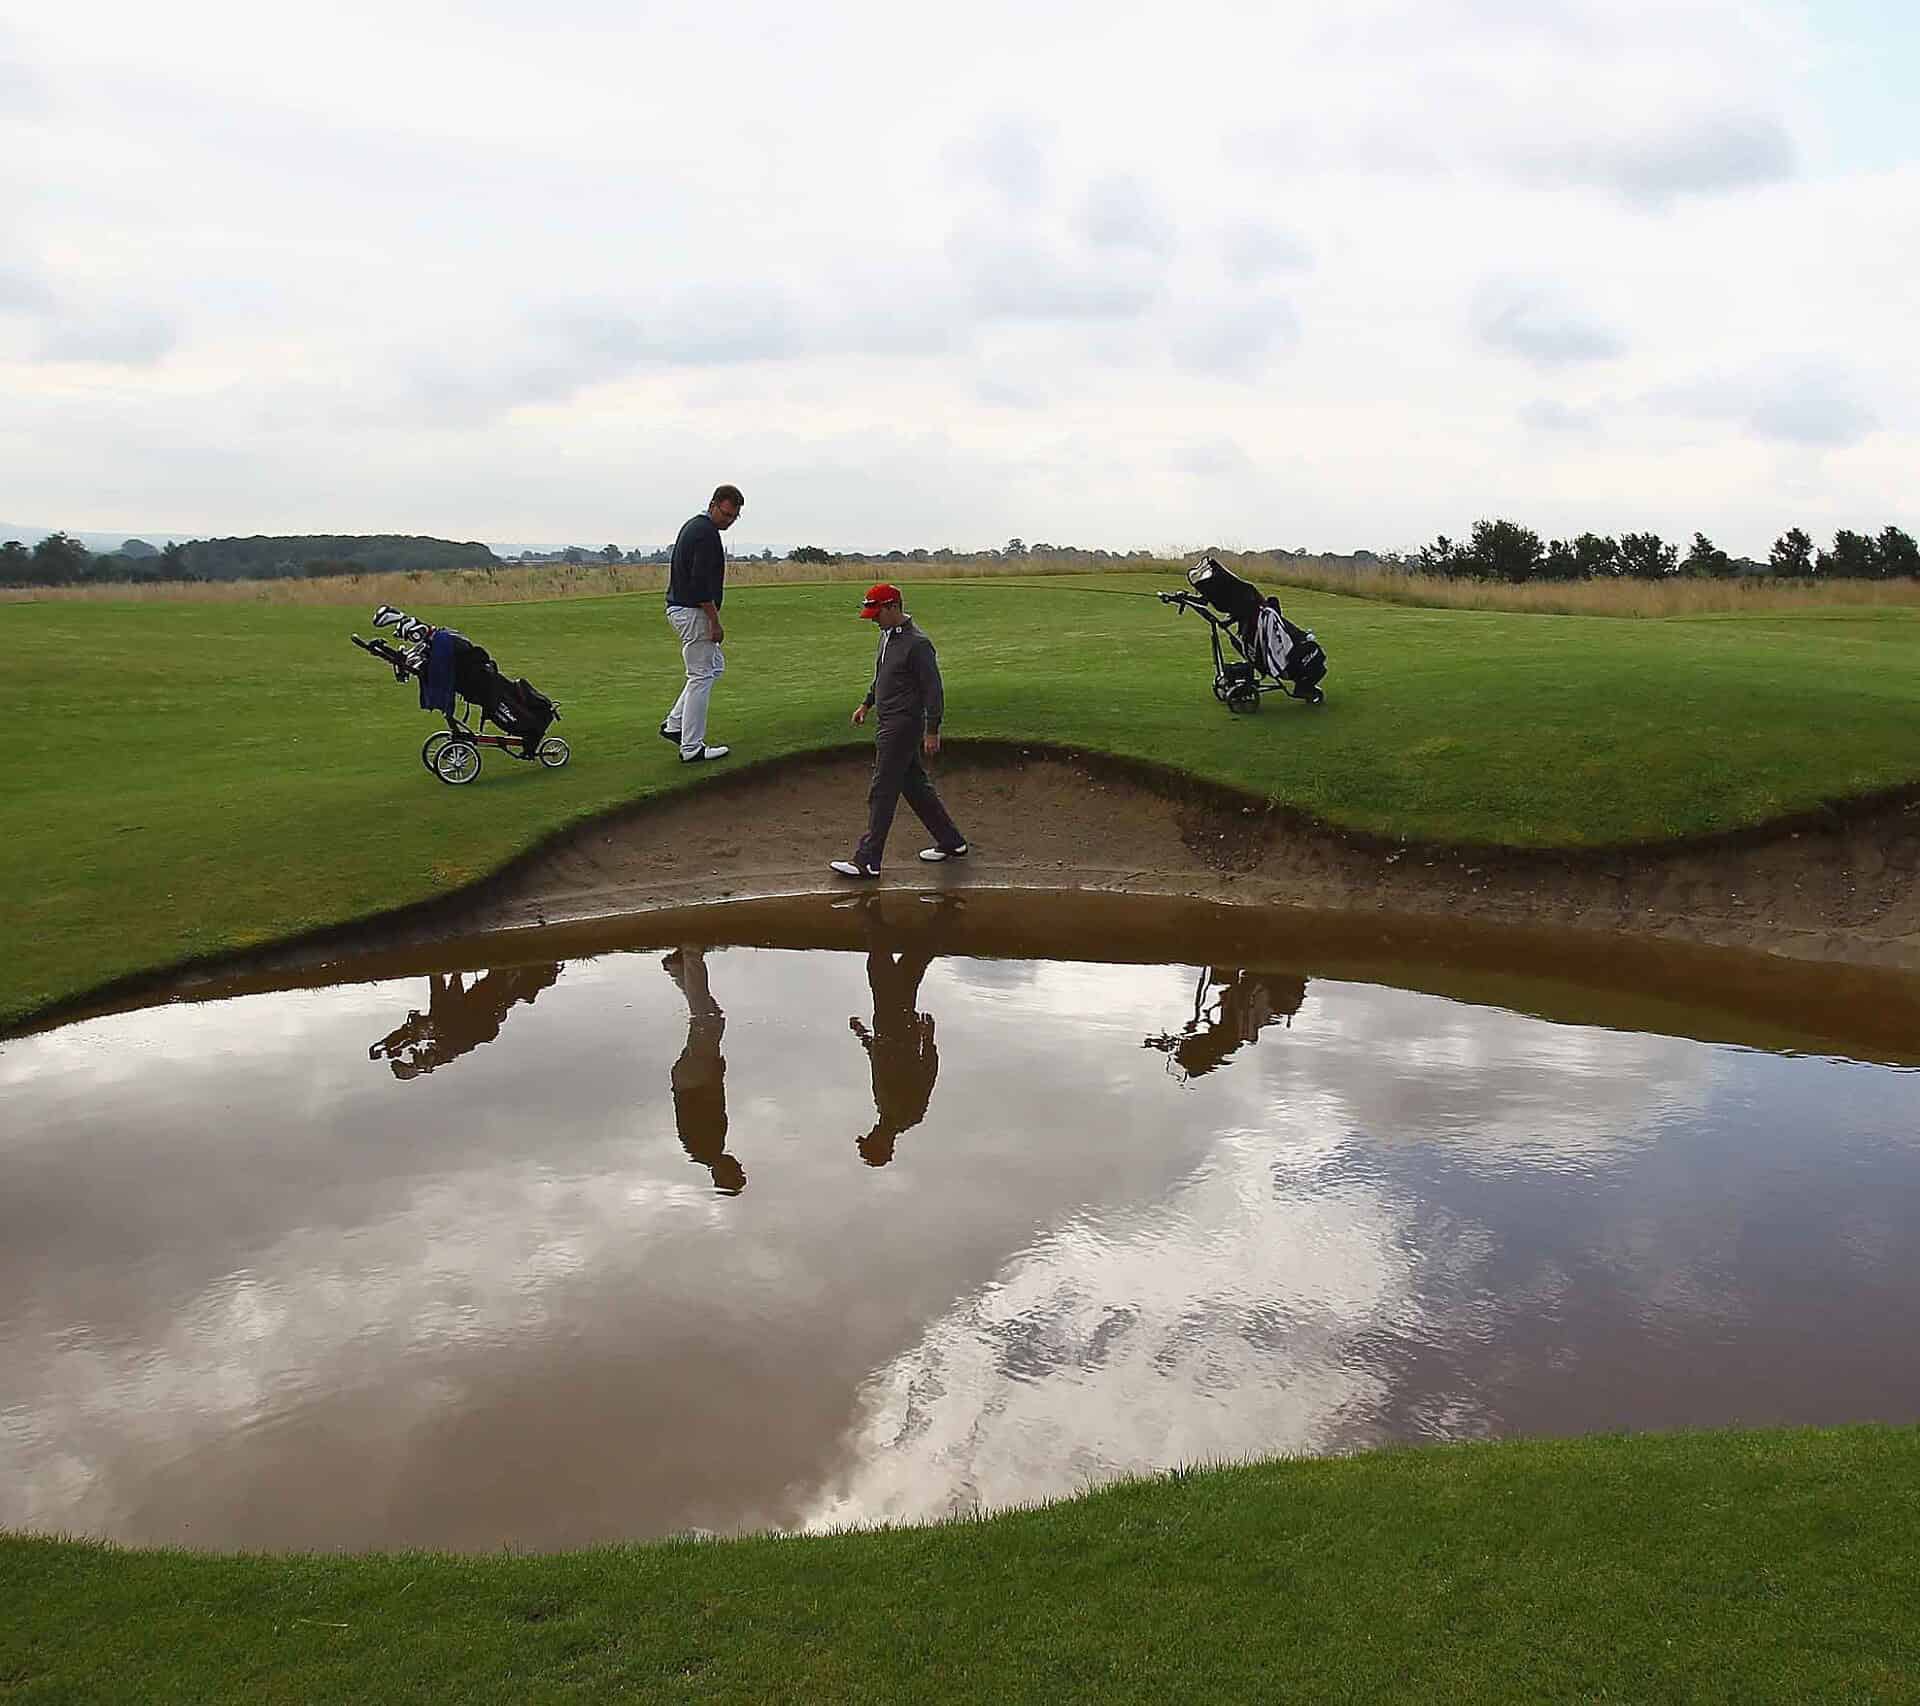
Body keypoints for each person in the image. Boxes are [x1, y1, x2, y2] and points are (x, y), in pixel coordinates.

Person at [829, 582, 968, 879]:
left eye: (876, 613)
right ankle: (952, 841)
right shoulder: (887, 636)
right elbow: (883, 677)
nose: (873, 621)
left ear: (892, 608)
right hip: (887, 720)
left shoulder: (918, 643)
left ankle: (868, 860)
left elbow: (933, 690)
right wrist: (867, 704)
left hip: (903, 726)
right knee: (915, 787)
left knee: (883, 789)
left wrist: (933, 730)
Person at [660, 484, 743, 763]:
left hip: (683, 609)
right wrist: (715, 622)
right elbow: (699, 585)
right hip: (692, 611)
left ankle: (675, 725)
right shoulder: (706, 533)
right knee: (701, 675)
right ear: (713, 504)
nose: (728, 521)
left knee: (713, 668)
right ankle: (691, 747)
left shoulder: (696, 527)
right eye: (726, 513)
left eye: (734, 517)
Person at [662, 947, 745, 1194]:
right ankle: (677, 968)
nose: (739, 1164)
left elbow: (710, 1103)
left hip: (697, 1080)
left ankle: (691, 953)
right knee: (712, 1019)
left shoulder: (707, 1147)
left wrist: (715, 1072)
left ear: (723, 1174)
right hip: (686, 1080)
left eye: (737, 1170)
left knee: (707, 1019)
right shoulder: (703, 1150)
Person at [849, 945, 940, 1166]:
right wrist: (928, 1040)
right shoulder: (909, 1113)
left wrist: (862, 1034)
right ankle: (944, 917)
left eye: (868, 1137)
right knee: (892, 968)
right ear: (886, 1145)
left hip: (886, 1024)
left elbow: (878, 1060)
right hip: (901, 1027)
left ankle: (875, 918)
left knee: (893, 969)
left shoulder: (883, 1107)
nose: (870, 1132)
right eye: (871, 1139)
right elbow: (928, 1073)